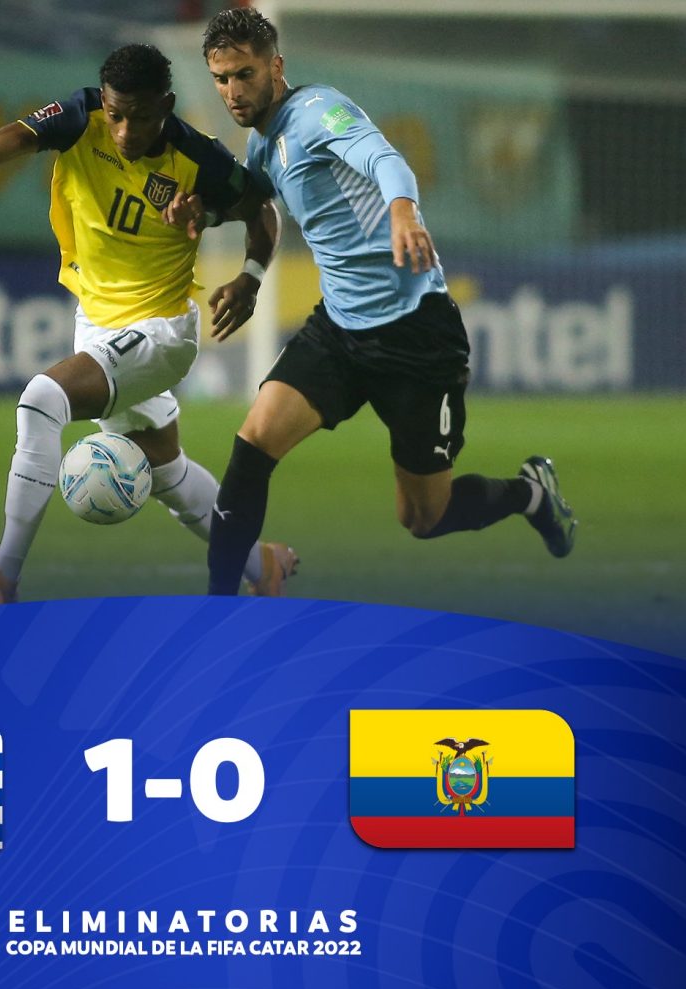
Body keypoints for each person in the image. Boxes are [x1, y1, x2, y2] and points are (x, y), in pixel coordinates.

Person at [0, 43, 297, 607]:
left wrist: (249, 276)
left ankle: (2, 578)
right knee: (164, 468)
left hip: (161, 331)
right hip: (97, 323)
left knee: (41, 400)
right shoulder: (78, 119)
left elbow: (263, 210)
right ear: (103, 100)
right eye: (117, 114)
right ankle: (260, 563)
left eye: (141, 117)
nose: (125, 131)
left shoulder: (198, 157)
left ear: (166, 105)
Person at [183, 8, 577, 596]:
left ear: (276, 67)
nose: (233, 91)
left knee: (423, 516)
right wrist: (241, 261)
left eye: (245, 74)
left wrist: (402, 210)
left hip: (415, 333)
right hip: (340, 332)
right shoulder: (263, 144)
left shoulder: (318, 112)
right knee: (254, 440)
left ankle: (530, 494)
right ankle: (216, 609)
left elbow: (383, 158)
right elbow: (255, 205)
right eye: (221, 79)